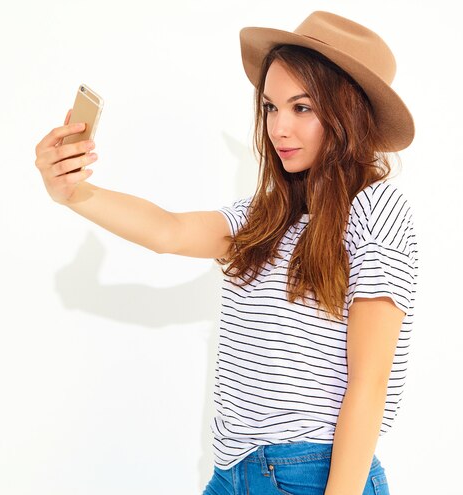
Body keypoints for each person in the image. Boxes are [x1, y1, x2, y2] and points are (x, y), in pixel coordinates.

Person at [34, 10, 418, 495]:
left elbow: (370, 384)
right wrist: (71, 193)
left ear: (349, 115)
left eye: (302, 108)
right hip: (234, 473)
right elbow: (168, 232)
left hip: (313, 472)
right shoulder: (265, 216)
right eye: (271, 107)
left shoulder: (376, 209)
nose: (279, 128)